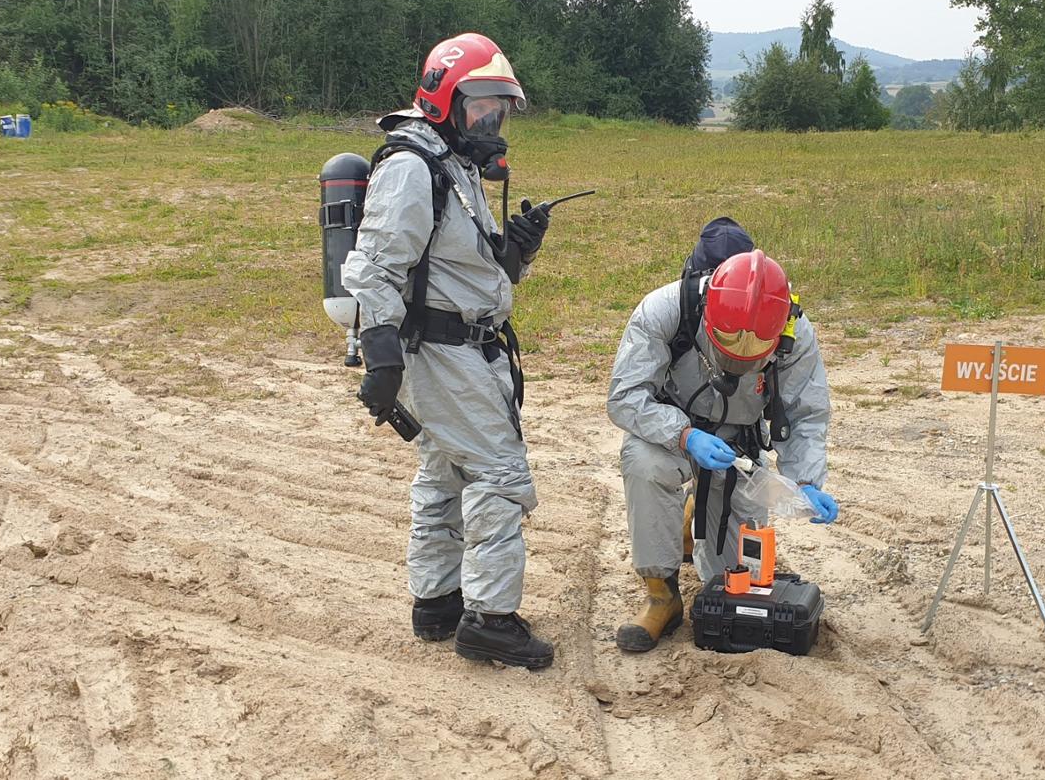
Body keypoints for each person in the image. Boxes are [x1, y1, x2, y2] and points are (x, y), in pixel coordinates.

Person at [341, 33, 554, 669]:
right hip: (438, 353)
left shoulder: (453, 164)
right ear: (446, 98)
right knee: (497, 473)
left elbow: (468, 271)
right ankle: (490, 619)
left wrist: (519, 247)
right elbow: (374, 267)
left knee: (445, 472)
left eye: (501, 107)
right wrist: (382, 359)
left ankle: (437, 602)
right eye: (483, 103)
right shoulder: (413, 166)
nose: (494, 119)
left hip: (457, 347)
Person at [606, 218, 839, 652]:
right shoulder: (664, 310)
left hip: (740, 440)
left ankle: (699, 508)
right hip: (669, 425)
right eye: (731, 339)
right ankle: (662, 596)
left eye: (757, 346)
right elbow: (625, 397)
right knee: (644, 464)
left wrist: (806, 480)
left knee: (730, 577)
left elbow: (807, 413)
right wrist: (684, 435)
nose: (744, 353)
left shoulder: (794, 331)